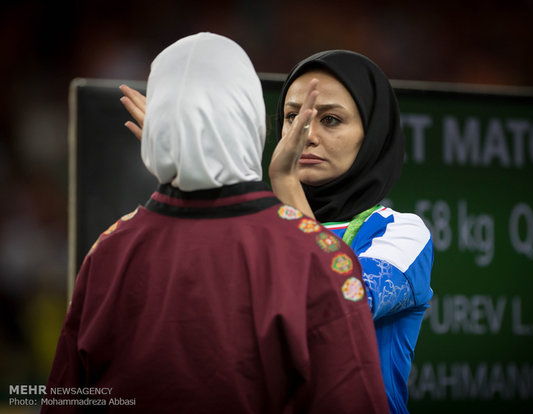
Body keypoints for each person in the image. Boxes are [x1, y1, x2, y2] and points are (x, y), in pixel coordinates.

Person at [43, 33, 389, 413]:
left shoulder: (109, 252)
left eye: (333, 120)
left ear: (158, 123)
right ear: (253, 118)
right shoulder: (317, 255)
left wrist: (172, 147)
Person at [120, 49, 433, 414]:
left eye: (330, 120)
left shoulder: (401, 233)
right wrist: (189, 180)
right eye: (292, 116)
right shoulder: (255, 224)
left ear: (373, 133)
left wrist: (284, 181)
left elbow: (338, 301)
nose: (306, 134)